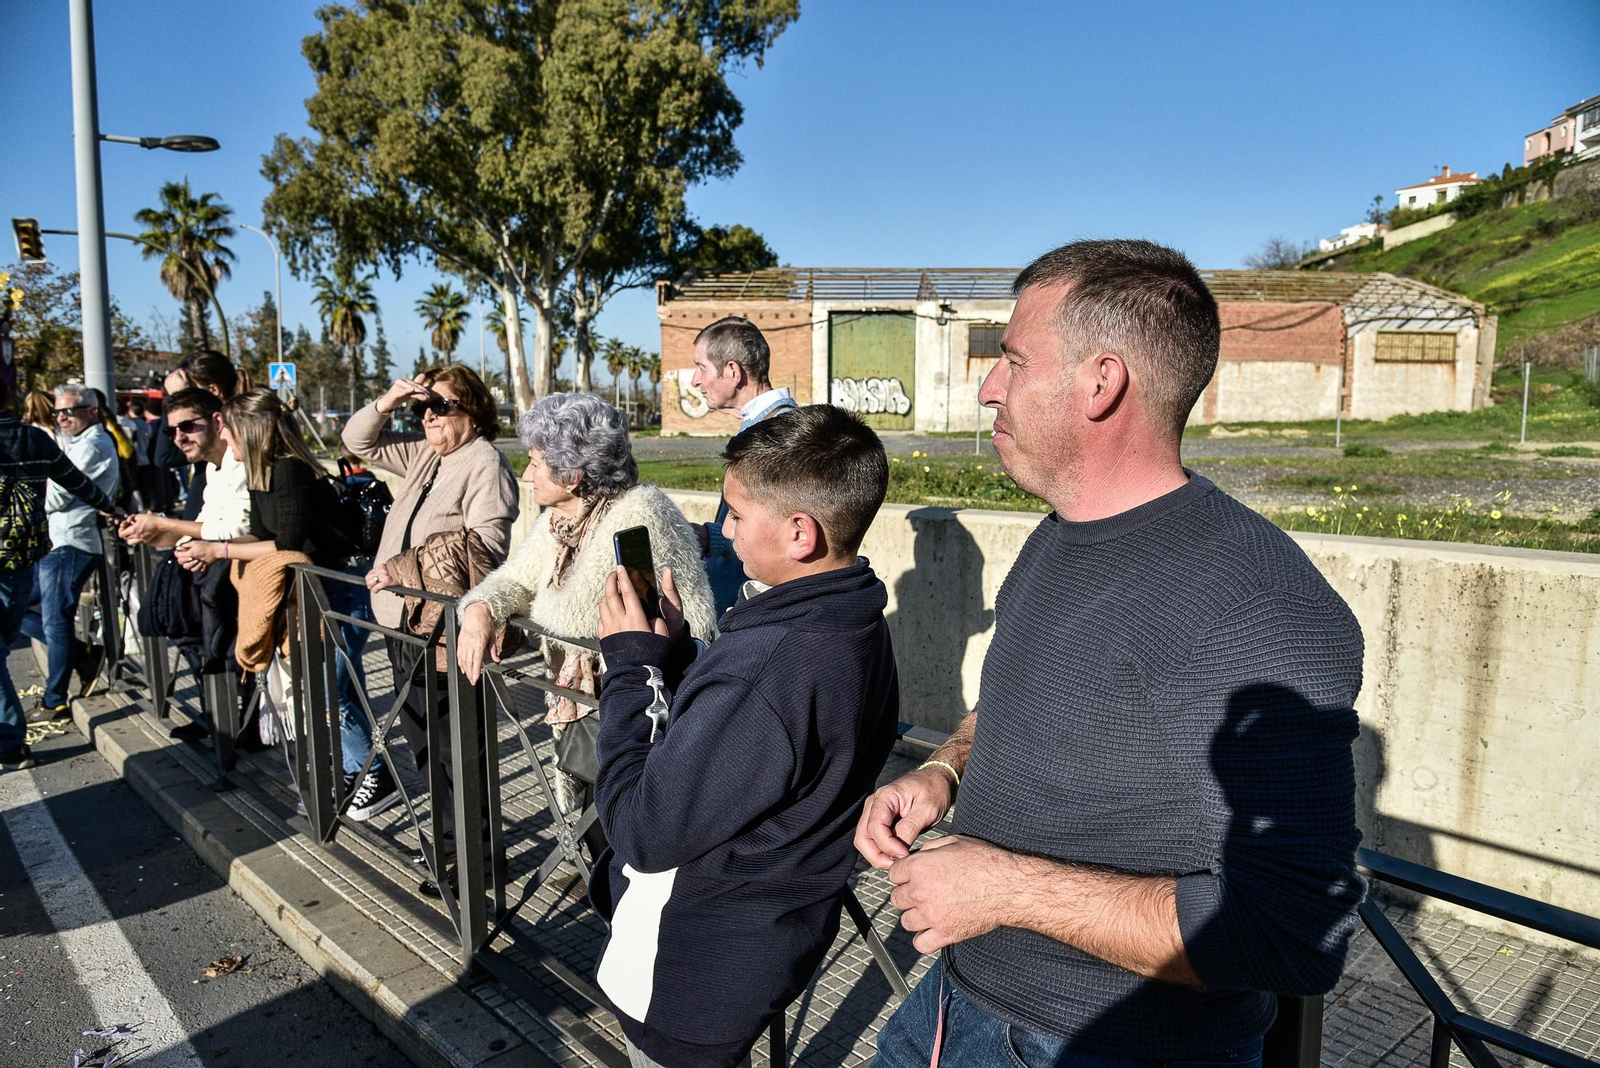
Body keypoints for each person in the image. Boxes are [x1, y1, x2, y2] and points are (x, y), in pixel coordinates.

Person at [857, 240, 1366, 1068]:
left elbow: (1294, 933)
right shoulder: (1057, 537)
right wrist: (945, 772)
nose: (989, 385)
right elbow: (1028, 701)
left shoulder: (1261, 603)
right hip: (953, 1007)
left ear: (1102, 383)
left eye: (1014, 360)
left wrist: (1003, 889)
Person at [591, 404, 899, 1068]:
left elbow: (643, 831)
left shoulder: (772, 665)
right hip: (764, 941)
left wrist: (630, 665)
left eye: (735, 511)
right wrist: (672, 662)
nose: (722, 529)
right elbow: (747, 761)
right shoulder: (855, 616)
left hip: (690, 975)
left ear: (799, 533)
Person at [453, 393, 717, 859]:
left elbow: (570, 616)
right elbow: (516, 578)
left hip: (650, 712)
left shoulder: (638, 514)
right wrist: (479, 609)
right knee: (600, 827)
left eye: (535, 463)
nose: (527, 474)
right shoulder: (563, 520)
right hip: (603, 703)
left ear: (572, 476)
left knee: (624, 834)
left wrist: (513, 607)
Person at [175, 390, 385, 815]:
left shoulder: (288, 470)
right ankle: (350, 769)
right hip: (319, 586)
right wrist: (209, 544)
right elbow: (258, 533)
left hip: (341, 581)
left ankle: (373, 775)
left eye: (229, 431)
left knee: (329, 690)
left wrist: (222, 552)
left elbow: (285, 543)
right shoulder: (261, 472)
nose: (225, 439)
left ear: (250, 431)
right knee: (336, 687)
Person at [343, 366, 519, 831]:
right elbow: (356, 442)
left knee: (455, 748)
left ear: (474, 410)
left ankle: (474, 861)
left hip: (444, 630)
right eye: (422, 408)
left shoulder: (484, 462)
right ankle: (448, 848)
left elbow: (483, 547)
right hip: (403, 621)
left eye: (440, 406)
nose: (428, 416)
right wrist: (389, 400)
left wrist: (404, 567)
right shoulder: (425, 455)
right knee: (423, 742)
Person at [0, 377, 120, 768]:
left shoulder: (91, 442)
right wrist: (111, 507)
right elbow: (77, 483)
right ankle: (75, 662)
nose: (62, 417)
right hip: (25, 554)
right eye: (58, 411)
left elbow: (67, 491)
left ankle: (17, 734)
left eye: (68, 410)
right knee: (23, 628)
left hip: (50, 546)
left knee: (50, 623)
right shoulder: (36, 440)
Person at [687, 316, 798, 615]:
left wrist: (715, 539)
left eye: (701, 368)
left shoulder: (776, 432)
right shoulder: (762, 426)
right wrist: (710, 536)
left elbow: (777, 532)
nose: (695, 381)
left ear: (733, 371)